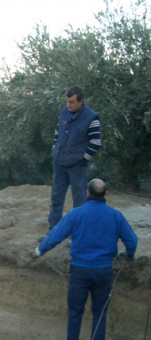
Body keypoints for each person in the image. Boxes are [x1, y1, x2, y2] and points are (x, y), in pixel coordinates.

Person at [35, 178, 137, 340]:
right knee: (99, 313)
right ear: (105, 195)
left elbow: (56, 235)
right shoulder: (115, 216)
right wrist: (129, 257)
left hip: (79, 271)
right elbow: (132, 241)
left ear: (88, 193)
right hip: (103, 272)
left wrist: (40, 250)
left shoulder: (76, 214)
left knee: (75, 311)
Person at [47, 86, 101, 232]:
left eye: (72, 102)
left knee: (80, 202)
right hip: (59, 163)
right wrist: (55, 149)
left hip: (77, 166)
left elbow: (96, 143)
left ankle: (79, 233)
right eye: (67, 101)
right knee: (56, 198)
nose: (68, 105)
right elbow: (58, 132)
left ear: (81, 101)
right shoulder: (64, 112)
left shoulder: (91, 117)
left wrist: (83, 160)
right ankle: (54, 230)